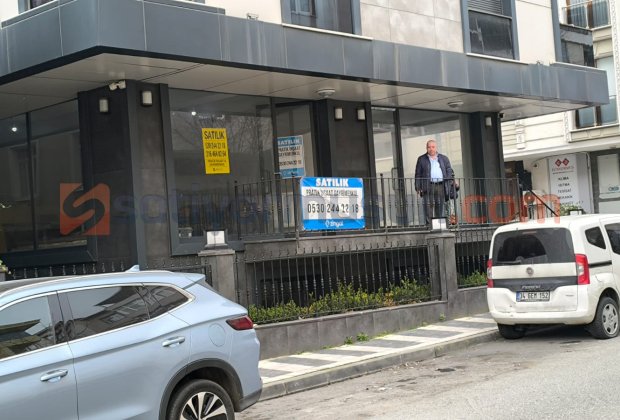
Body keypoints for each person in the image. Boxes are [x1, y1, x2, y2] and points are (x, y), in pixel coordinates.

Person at [414, 139, 455, 225]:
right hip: (427, 186)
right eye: (429, 147)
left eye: (433, 147)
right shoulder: (421, 159)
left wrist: (448, 180)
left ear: (436, 148)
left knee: (439, 206)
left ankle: (438, 225)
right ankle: (429, 226)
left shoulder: (444, 158)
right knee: (428, 207)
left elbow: (449, 170)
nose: (431, 149)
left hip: (440, 185)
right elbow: (418, 174)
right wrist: (418, 187)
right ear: (426, 148)